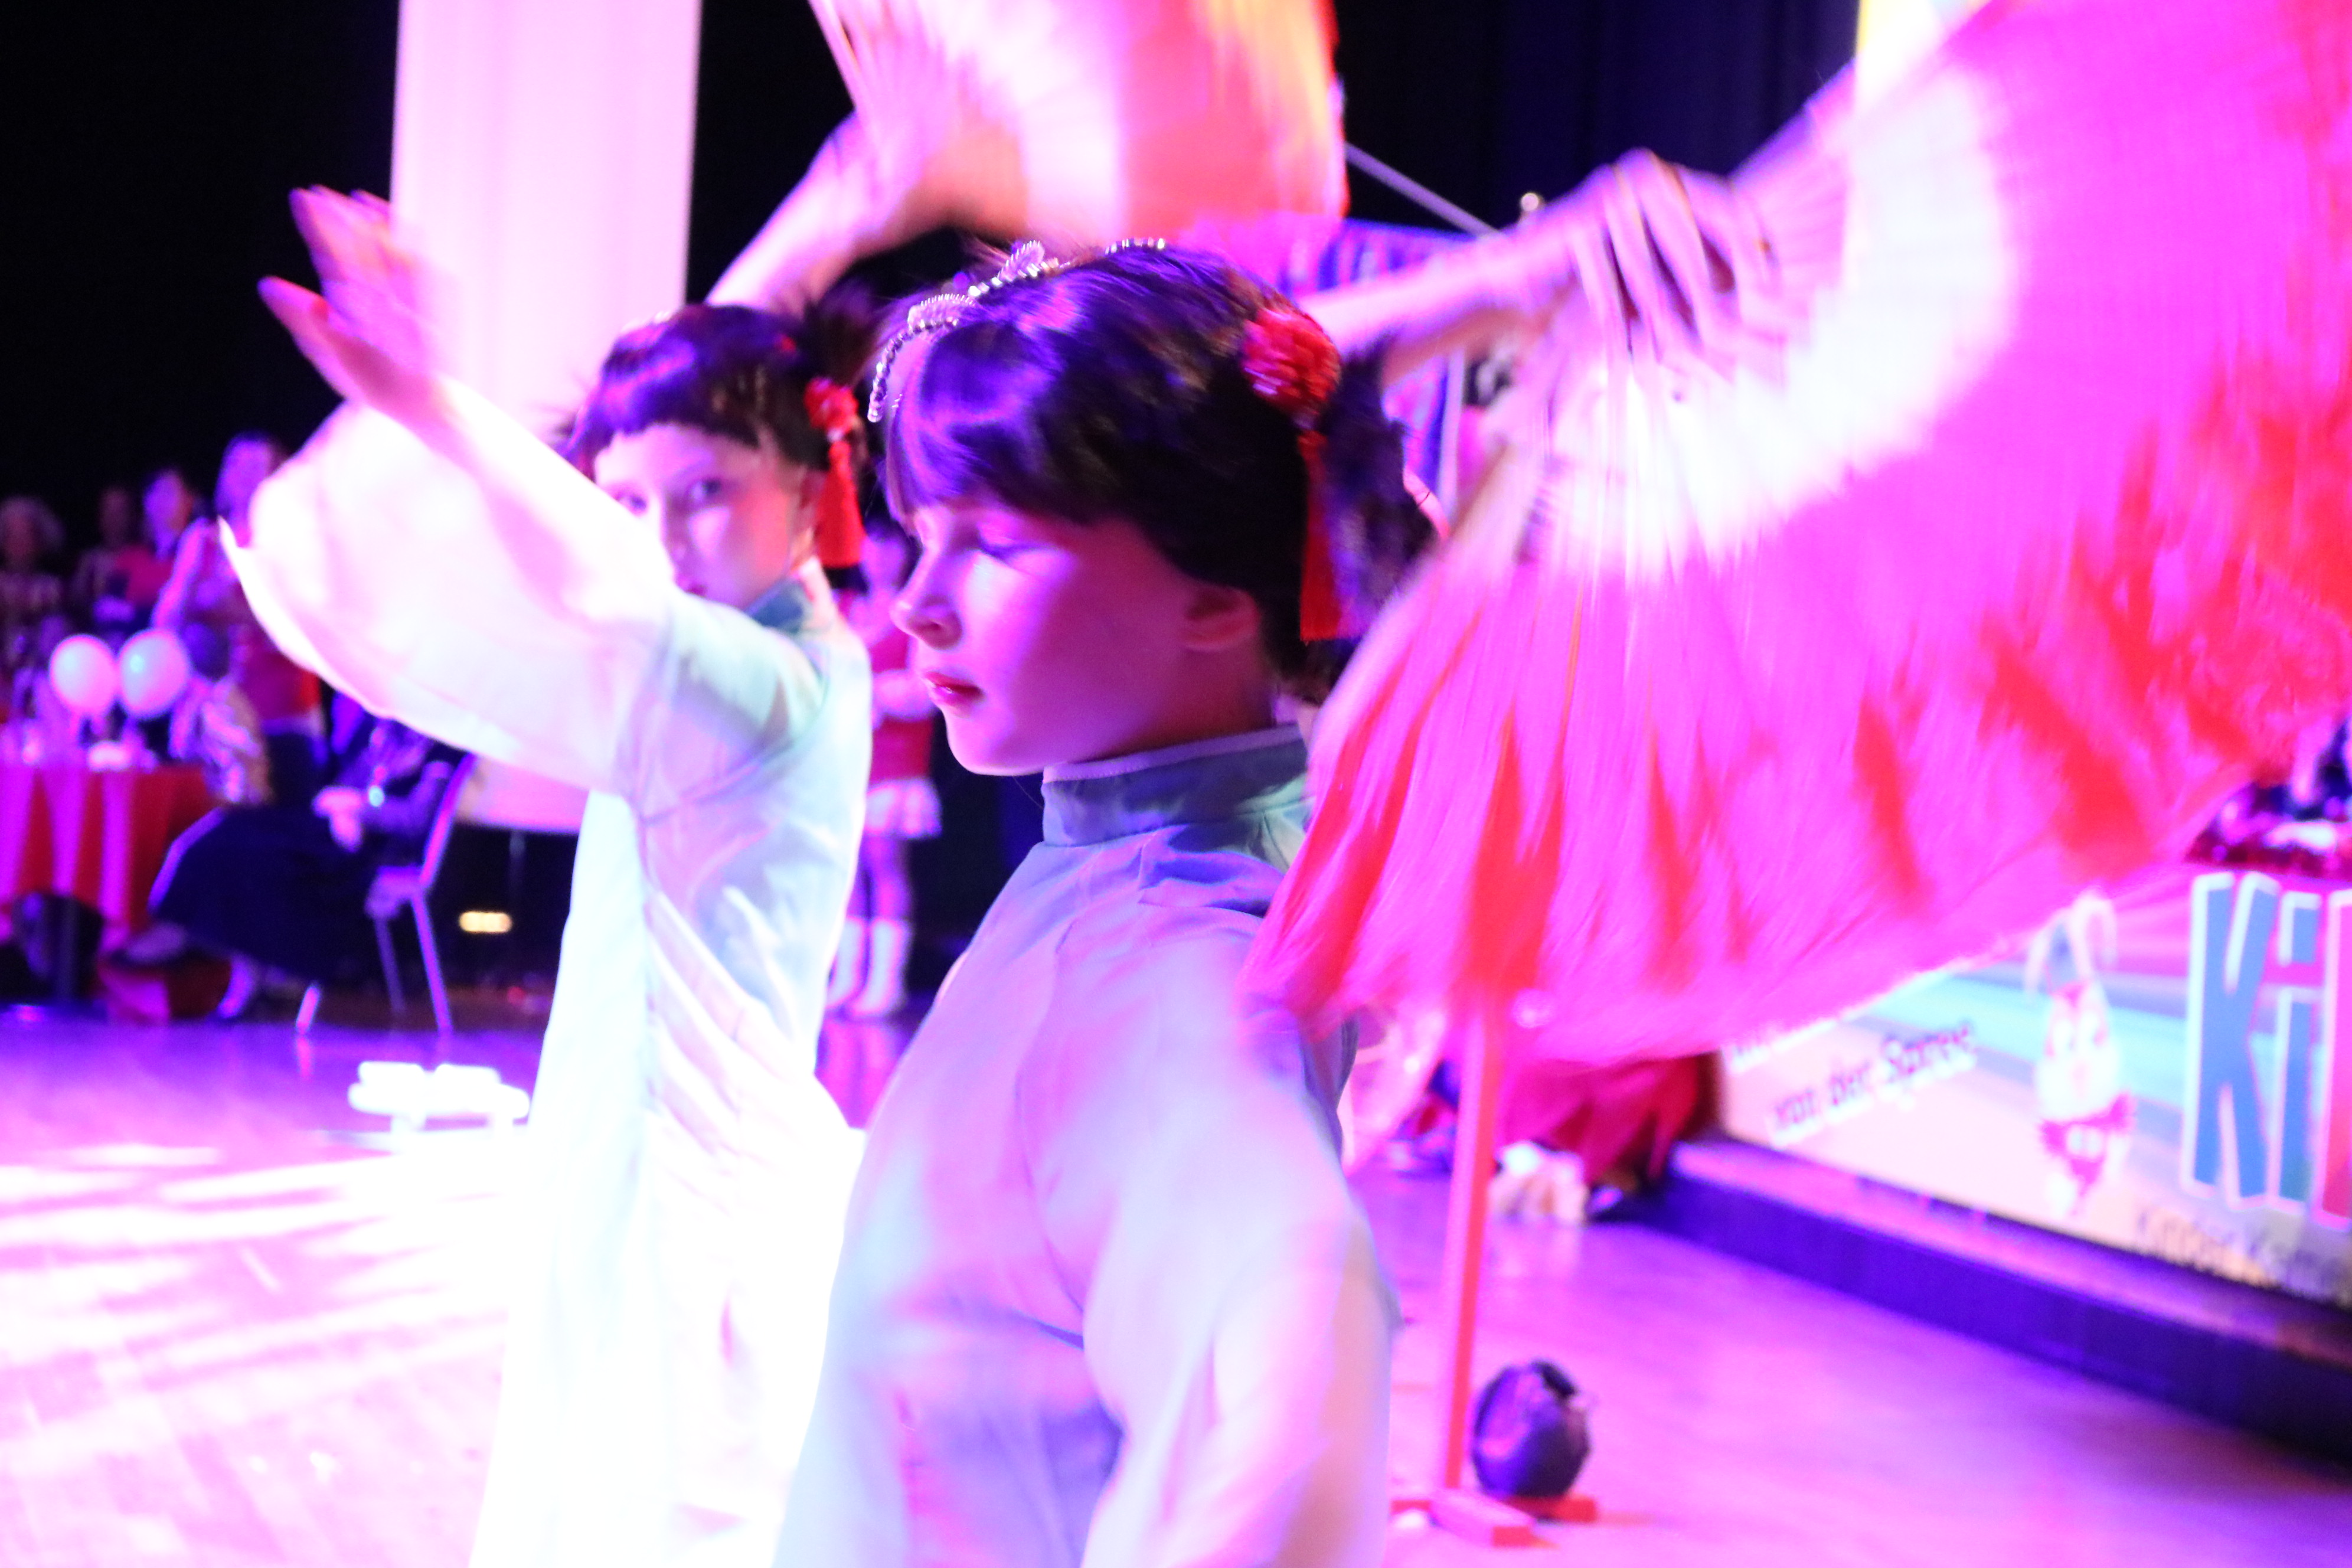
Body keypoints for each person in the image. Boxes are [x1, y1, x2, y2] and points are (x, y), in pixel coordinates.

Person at [236, 188, 875, 1568]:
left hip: (683, 1178)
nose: (663, 536)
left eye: (706, 494)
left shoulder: (771, 683)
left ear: (811, 481)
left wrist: (430, 406)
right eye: (627, 501)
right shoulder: (763, 640)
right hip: (627, 1139)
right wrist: (828, 215)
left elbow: (604, 595)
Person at [779, 242, 1432, 1567]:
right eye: (922, 536)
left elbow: (1298, 1315)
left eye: (992, 545)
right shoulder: (1141, 861)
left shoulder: (1174, 956)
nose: (919, 604)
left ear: (1215, 597)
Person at [130, 694, 466, 1016]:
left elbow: (417, 819)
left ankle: (241, 962)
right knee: (232, 830)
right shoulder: (384, 727)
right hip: (331, 826)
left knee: (255, 857)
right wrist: (338, 804)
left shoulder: (443, 745)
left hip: (371, 849)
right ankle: (196, 934)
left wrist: (360, 810)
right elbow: (344, 783)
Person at [158, 433, 325, 801]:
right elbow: (165, 623)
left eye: (256, 466)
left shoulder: (294, 541)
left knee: (282, 820)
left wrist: (223, 610)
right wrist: (188, 588)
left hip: (280, 714)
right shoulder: (203, 541)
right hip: (213, 719)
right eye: (236, 465)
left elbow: (300, 624)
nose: (244, 476)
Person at [829, 518, 938, 1017]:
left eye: (890, 548)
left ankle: (886, 981)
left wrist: (873, 693)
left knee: (885, 863)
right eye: (872, 547)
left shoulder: (914, 612)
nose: (881, 558)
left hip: (895, 761)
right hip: (849, 763)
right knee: (848, 872)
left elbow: (925, 691)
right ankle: (847, 976)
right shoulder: (843, 610)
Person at [72, 484, 170, 643]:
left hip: (136, 635)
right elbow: (78, 604)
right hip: (94, 635)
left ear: (132, 516)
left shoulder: (145, 557)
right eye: (108, 511)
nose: (114, 519)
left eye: (120, 512)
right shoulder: (90, 560)